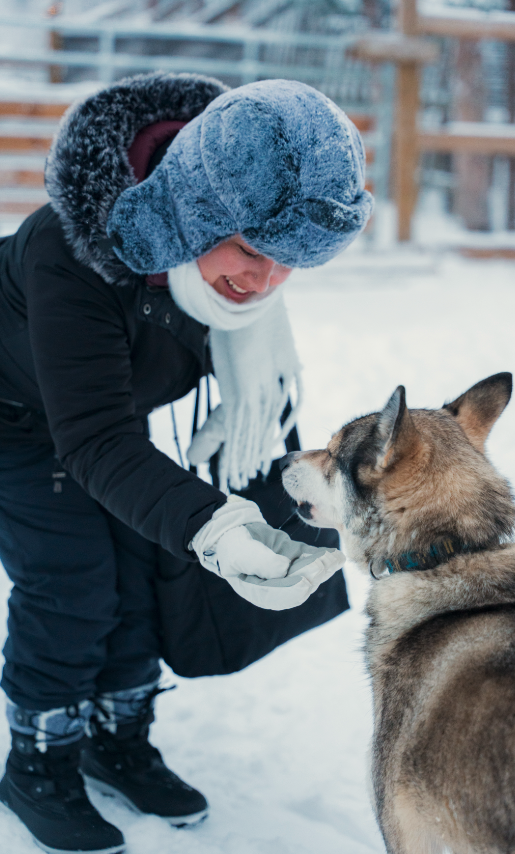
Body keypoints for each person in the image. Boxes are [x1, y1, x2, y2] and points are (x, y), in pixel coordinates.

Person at [0, 72, 373, 854]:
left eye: (289, 262)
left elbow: (138, 421)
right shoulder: (65, 256)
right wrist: (217, 526)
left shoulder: (230, 266)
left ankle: (118, 735)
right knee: (72, 578)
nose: (265, 283)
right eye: (250, 252)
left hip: (105, 419)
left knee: (140, 561)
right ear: (193, 214)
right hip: (19, 420)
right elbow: (94, 436)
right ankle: (40, 758)